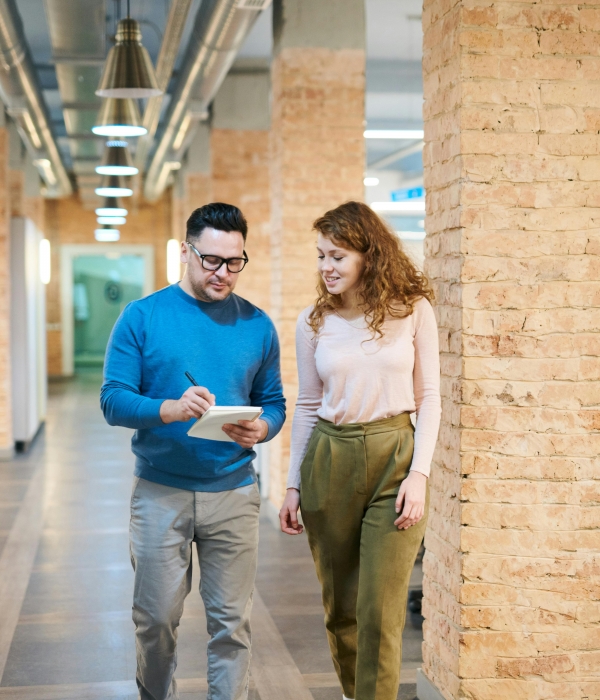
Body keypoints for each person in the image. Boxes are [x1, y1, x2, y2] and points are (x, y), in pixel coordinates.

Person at [101, 202, 286, 700]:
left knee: (232, 626)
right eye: (210, 261)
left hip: (234, 491)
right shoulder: (142, 317)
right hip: (161, 492)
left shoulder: (258, 325)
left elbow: (275, 403)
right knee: (156, 621)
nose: (223, 273)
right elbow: (113, 400)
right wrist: (170, 408)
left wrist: (262, 428)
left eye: (234, 262)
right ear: (185, 251)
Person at [279, 201, 441, 700]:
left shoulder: (412, 309)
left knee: (380, 609)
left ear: (368, 256)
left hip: (396, 455)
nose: (326, 267)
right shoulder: (313, 322)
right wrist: (292, 483)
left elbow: (429, 395)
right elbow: (307, 404)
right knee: (342, 608)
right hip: (330, 457)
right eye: (321, 256)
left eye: (338, 256)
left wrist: (421, 475)